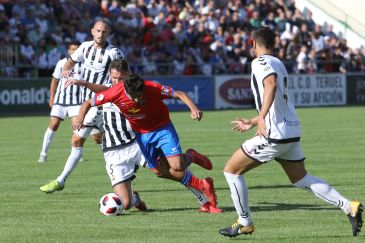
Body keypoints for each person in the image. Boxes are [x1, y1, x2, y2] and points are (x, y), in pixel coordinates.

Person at [219, 27, 363, 238]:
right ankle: (349, 206)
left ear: (253, 44)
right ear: (274, 44)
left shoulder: (259, 62)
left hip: (274, 134)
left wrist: (260, 119)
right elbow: (276, 98)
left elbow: (271, 85)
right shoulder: (278, 62)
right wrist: (253, 121)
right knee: (301, 179)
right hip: (290, 131)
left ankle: (244, 222)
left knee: (231, 171)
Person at [67, 59, 219, 213]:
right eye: (114, 78)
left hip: (136, 142)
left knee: (175, 167)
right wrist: (82, 114)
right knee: (126, 202)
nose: (117, 81)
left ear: (128, 75)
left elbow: (177, 93)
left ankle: (203, 198)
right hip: (116, 150)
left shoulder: (142, 87)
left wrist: (193, 109)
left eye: (120, 78)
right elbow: (93, 101)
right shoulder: (111, 92)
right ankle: (135, 199)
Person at [40, 19, 124, 193]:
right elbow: (70, 61)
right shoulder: (85, 47)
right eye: (98, 31)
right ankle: (125, 169)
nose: (101, 34)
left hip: (102, 103)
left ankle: (60, 180)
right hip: (86, 103)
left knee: (77, 139)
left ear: (109, 34)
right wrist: (66, 69)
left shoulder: (114, 53)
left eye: (104, 32)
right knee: (101, 139)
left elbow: (125, 78)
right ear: (92, 31)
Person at [38, 40, 83, 163]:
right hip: (60, 101)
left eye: (77, 49)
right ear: (68, 51)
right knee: (53, 125)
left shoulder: (84, 64)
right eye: (72, 49)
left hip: (76, 102)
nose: (74, 51)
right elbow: (54, 81)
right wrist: (51, 98)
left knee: (77, 129)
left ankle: (77, 154)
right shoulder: (61, 63)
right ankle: (43, 154)